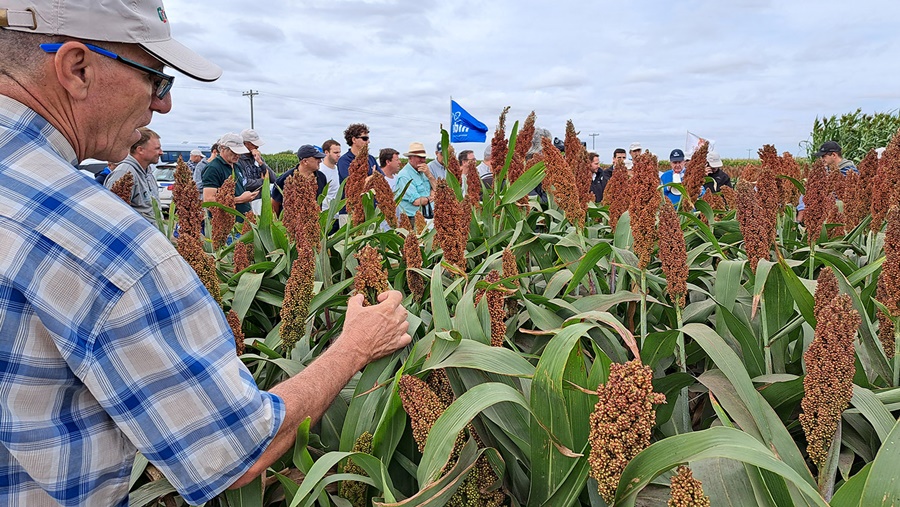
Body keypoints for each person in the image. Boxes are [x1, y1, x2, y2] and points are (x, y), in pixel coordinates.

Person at [0, 2, 410, 506]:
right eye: (156, 79)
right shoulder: (100, 242)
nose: (163, 106)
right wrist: (356, 347)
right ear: (76, 68)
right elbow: (236, 449)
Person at [104, 127, 164, 221]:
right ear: (140, 150)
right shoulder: (124, 173)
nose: (161, 152)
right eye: (157, 148)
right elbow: (113, 214)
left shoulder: (148, 173)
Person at [797, 141, 857, 223]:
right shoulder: (826, 170)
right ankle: (799, 220)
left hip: (840, 214)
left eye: (824, 156)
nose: (822, 159)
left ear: (834, 155)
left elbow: (844, 195)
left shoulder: (849, 171)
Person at [202, 133, 259, 219]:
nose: (238, 155)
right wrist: (240, 199)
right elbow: (209, 200)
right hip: (224, 223)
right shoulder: (213, 168)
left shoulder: (237, 166)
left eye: (239, 152)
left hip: (242, 222)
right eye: (234, 152)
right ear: (222, 148)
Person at [272, 145, 328, 216]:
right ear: (305, 161)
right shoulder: (285, 179)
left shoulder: (321, 177)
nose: (320, 161)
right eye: (317, 158)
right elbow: (274, 204)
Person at [395, 142, 436, 221]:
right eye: (419, 157)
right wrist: (431, 197)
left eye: (424, 157)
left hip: (428, 216)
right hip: (411, 219)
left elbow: (436, 189)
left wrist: (429, 175)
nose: (423, 160)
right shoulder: (404, 176)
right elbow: (417, 201)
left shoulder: (425, 172)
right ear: (410, 158)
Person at [238, 128, 276, 193]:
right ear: (245, 144)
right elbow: (244, 183)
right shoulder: (238, 160)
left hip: (263, 198)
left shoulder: (257, 158)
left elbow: (273, 179)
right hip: (248, 200)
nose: (257, 147)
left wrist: (261, 163)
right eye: (253, 144)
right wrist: (263, 181)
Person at [320, 139, 341, 211]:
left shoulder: (338, 168)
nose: (339, 155)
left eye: (339, 152)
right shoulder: (320, 170)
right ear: (326, 152)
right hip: (326, 214)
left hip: (337, 213)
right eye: (335, 152)